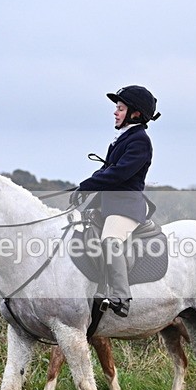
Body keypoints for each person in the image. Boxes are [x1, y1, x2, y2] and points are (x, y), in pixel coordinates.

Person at [70, 85, 161, 318]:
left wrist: (87, 185)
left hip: (126, 207)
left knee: (110, 241)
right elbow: (106, 171)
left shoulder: (140, 140)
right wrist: (83, 193)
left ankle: (121, 296)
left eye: (120, 108)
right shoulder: (122, 138)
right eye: (116, 108)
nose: (115, 112)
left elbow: (119, 174)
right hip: (109, 204)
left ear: (135, 113)